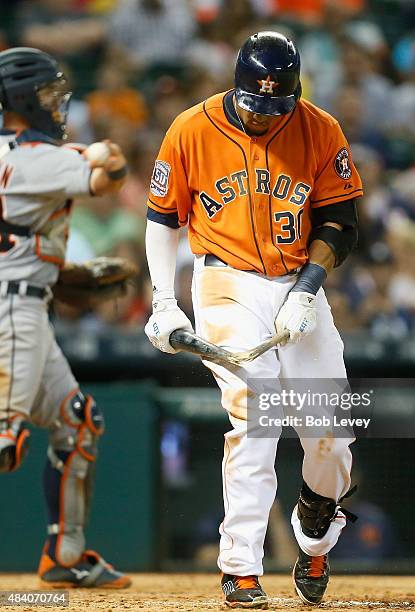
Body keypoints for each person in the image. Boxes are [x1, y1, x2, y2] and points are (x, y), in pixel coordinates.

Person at [144, 31, 363, 608]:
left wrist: (307, 290)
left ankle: (316, 530)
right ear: (236, 85)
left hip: (298, 283)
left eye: (276, 105)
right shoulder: (191, 127)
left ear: (294, 94)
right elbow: (164, 219)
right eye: (253, 102)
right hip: (224, 281)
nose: (263, 114)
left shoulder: (320, 128)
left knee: (332, 435)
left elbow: (341, 223)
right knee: (256, 412)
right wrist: (163, 300)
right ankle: (240, 565)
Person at [0, 47, 130, 588]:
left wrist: (62, 273)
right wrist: (103, 148)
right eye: (50, 95)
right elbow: (110, 176)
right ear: (26, 100)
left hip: (25, 297)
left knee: (76, 420)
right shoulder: (37, 157)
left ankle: (66, 555)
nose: (59, 104)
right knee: (3, 441)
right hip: (12, 310)